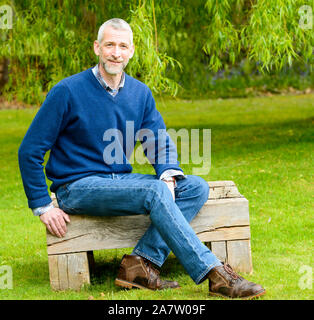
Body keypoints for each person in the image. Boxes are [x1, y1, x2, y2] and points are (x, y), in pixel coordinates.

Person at [18, 18, 265, 299]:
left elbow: (157, 140)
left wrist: (169, 173)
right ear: (97, 47)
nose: (116, 52)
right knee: (154, 191)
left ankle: (140, 264)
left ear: (131, 51)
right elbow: (29, 150)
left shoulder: (139, 93)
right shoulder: (67, 91)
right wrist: (42, 206)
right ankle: (215, 274)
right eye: (109, 45)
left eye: (123, 46)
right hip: (77, 186)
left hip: (119, 181)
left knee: (195, 187)